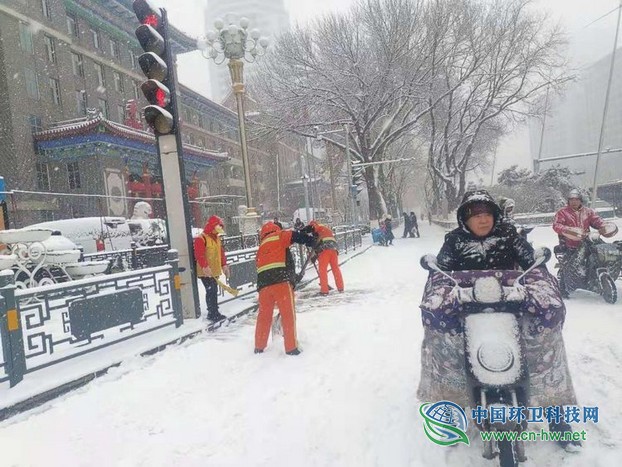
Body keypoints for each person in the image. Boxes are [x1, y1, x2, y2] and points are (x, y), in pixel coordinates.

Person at [418, 190, 581, 451]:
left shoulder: (509, 236)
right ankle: (451, 402)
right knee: (443, 346)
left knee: (545, 348)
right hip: (466, 310)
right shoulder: (454, 241)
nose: (483, 220)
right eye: (476, 215)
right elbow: (441, 275)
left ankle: (557, 415)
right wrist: (439, 298)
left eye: (488, 214)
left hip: (513, 306)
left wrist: (539, 290)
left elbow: (534, 266)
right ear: (465, 219)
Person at [254, 221, 316, 355]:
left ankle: (259, 346)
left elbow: (258, 265)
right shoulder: (279, 235)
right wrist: (311, 240)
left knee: (264, 316)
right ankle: (291, 347)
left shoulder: (261, 246)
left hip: (263, 285)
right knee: (288, 314)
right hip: (280, 281)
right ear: (276, 229)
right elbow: (295, 236)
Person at [552, 189, 617, 295]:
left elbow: (597, 221)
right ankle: (564, 287)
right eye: (571, 199)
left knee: (603, 250)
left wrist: (605, 227)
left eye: (576, 199)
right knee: (567, 265)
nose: (574, 202)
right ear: (568, 201)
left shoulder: (588, 211)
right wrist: (568, 230)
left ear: (580, 200)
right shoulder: (562, 212)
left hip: (587, 241)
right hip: (569, 243)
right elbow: (556, 225)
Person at [194, 215, 229, 322]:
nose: (220, 229)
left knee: (213, 291)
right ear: (213, 226)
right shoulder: (201, 238)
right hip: (206, 271)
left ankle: (214, 311)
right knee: (211, 290)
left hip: (214, 270)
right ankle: (212, 312)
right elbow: (199, 254)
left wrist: (224, 265)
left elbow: (221, 253)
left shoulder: (217, 238)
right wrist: (205, 266)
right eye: (218, 226)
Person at [303, 220, 344, 295]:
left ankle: (324, 290)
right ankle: (340, 287)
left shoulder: (318, 228)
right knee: (336, 269)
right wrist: (315, 256)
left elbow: (316, 240)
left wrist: (303, 230)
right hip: (334, 249)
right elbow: (319, 242)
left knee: (322, 270)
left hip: (325, 250)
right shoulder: (326, 229)